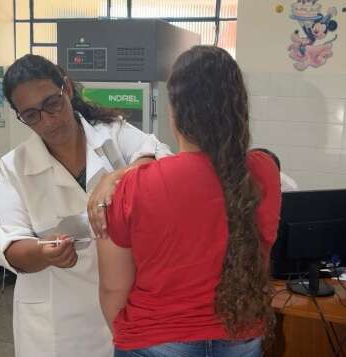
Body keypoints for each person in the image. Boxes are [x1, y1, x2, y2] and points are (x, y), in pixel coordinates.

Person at [96, 46, 281, 357]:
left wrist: (134, 336)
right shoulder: (263, 171)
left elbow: (114, 288)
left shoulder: (131, 187)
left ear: (174, 111)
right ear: (239, 109)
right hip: (240, 336)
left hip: (153, 341)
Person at [0, 54, 170, 357]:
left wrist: (118, 176)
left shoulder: (113, 135)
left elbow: (158, 153)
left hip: (121, 306)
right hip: (54, 326)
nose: (47, 120)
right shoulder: (15, 166)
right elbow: (7, 245)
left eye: (52, 104)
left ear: (67, 89)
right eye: (32, 115)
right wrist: (43, 252)